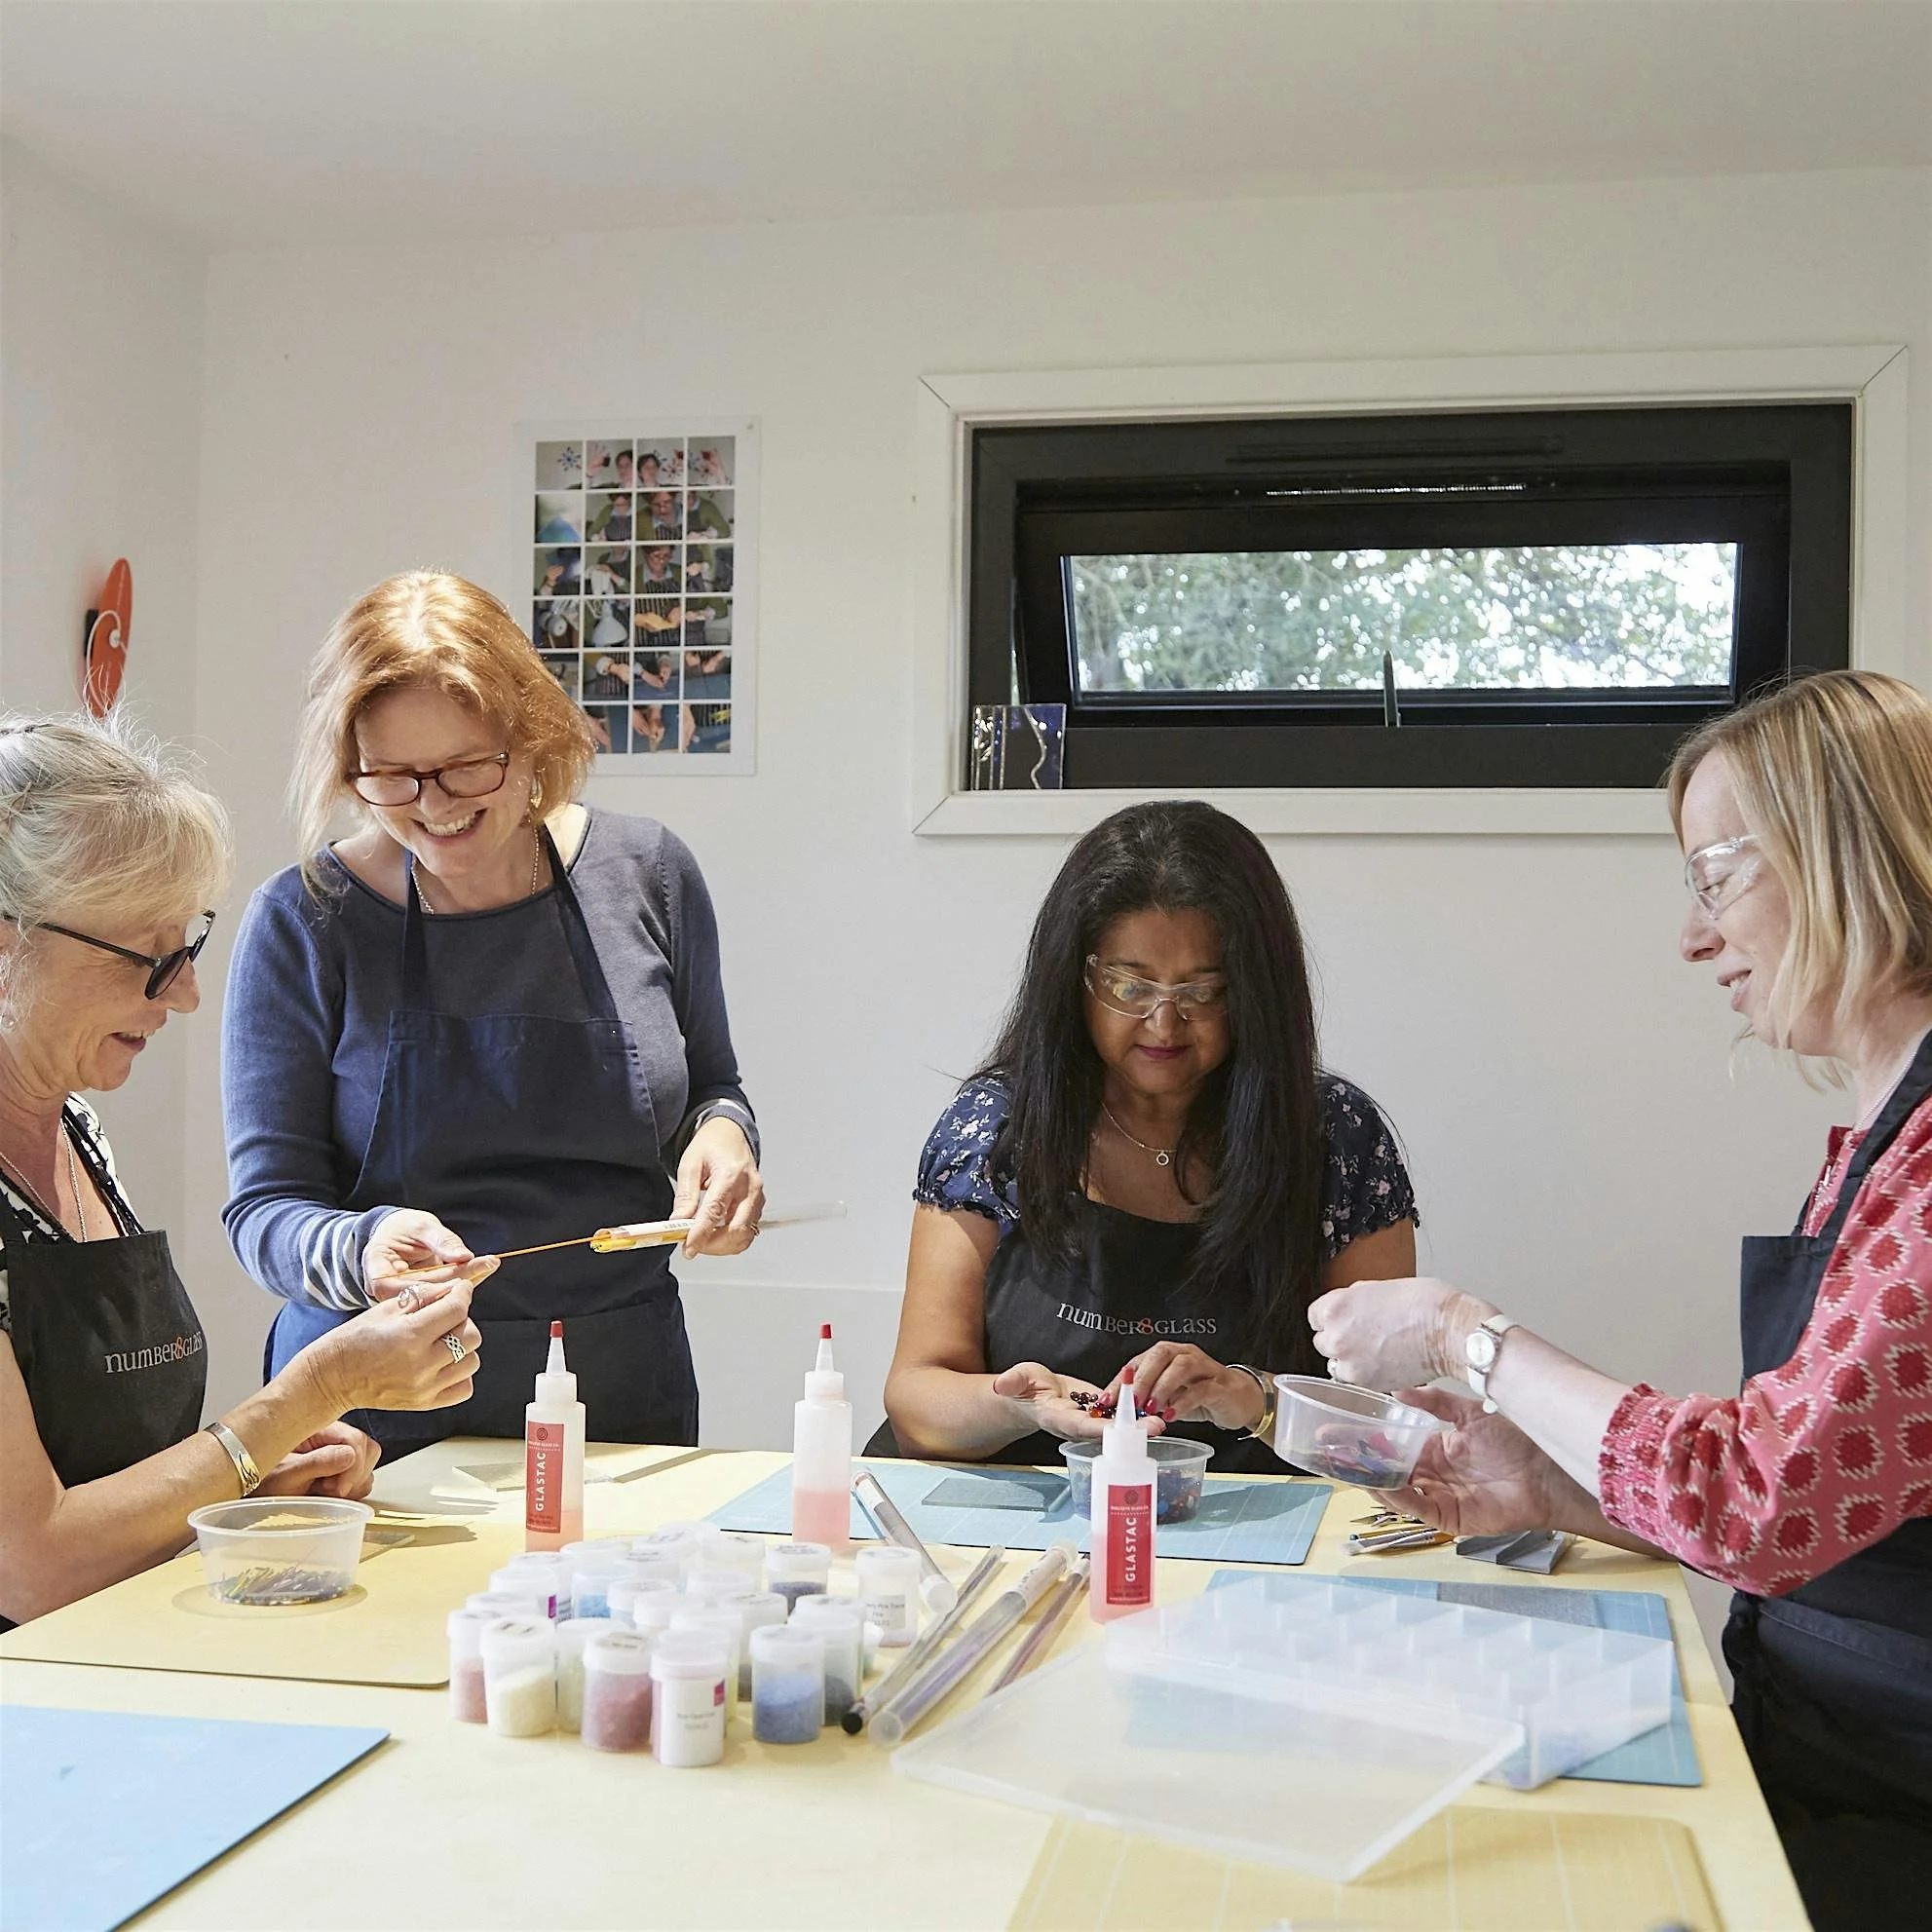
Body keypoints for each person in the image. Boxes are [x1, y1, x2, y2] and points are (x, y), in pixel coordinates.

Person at [1308, 669, 1932, 1931]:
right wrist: (1550, 1488)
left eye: (1715, 877)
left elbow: (1753, 1496)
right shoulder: (1876, 1147)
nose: (1693, 936)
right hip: (1832, 1760)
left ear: (1839, 853)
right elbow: (1831, 1514)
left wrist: (1460, 1335)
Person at [222, 571, 764, 1454]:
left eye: (467, 766)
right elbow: (264, 1210)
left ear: (534, 734)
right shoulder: (306, 920)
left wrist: (726, 1135)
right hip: (377, 1408)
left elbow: (714, 1086)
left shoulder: (649, 875)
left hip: (618, 1394)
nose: (434, 806)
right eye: (393, 777)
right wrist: (361, 1247)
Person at [0, 714, 479, 1627]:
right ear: (7, 946)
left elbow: (105, 1484)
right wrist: (310, 1392)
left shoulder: (76, 1138)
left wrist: (255, 1478)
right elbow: (34, 1566)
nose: (185, 994)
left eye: (186, 949)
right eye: (149, 957)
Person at [879, 800, 1418, 1471]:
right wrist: (1020, 1406)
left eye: (1202, 992)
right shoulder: (995, 1126)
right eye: (1129, 986)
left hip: (1249, 1514)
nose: (1164, 1023)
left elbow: (1383, 1427)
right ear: (1075, 979)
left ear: (1255, 993)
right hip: (1029, 1504)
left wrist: (1251, 1397)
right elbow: (916, 1403)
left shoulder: (1335, 1139)